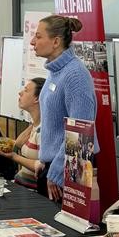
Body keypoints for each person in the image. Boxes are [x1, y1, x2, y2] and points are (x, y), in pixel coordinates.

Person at [31, 15, 96, 201]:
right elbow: (53, 125)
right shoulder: (55, 71)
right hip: (53, 166)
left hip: (68, 169)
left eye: (38, 36)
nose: (32, 42)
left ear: (56, 41)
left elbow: (80, 133)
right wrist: (43, 160)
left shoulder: (75, 75)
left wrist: (58, 171)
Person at [0, 77, 45, 190]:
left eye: (26, 90)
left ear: (37, 99)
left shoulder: (44, 130)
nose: (20, 93)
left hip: (32, 192)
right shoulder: (34, 125)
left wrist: (14, 156)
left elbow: (41, 166)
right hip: (19, 184)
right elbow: (17, 144)